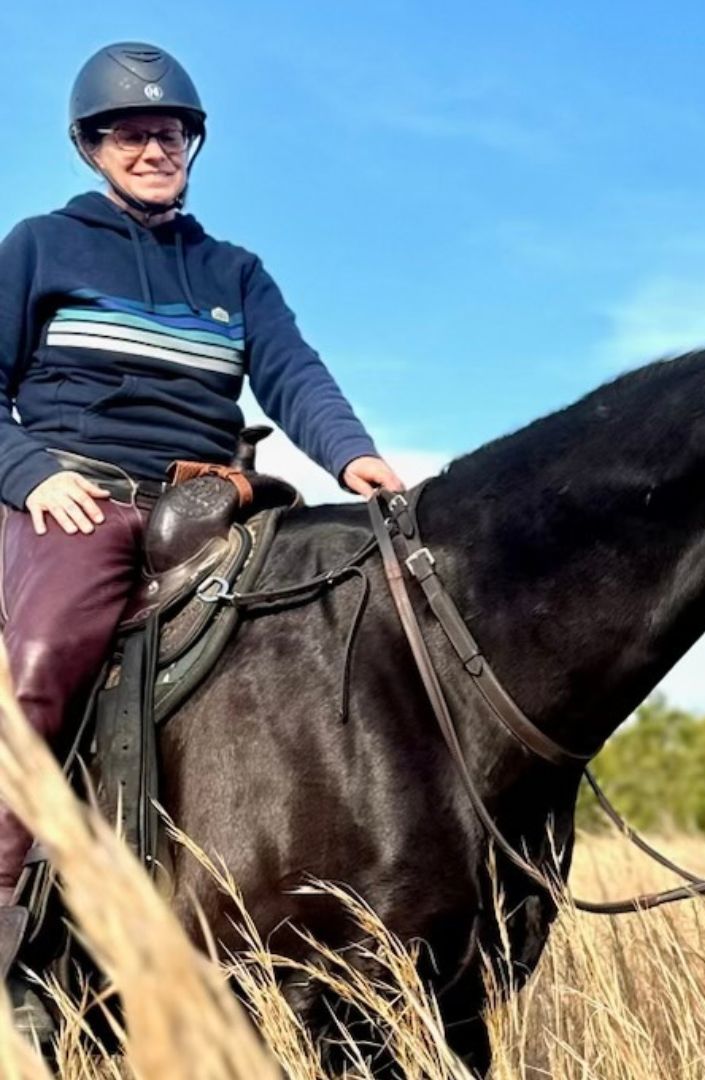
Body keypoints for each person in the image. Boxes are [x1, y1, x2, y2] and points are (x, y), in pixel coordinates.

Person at [0, 42, 404, 915]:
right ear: (92, 150)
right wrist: (31, 473)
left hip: (208, 502)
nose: (154, 151)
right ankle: (2, 904)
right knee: (40, 663)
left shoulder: (234, 272)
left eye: (171, 134)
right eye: (131, 137)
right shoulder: (38, 247)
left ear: (193, 144)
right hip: (79, 501)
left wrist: (352, 454)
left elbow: (293, 372)